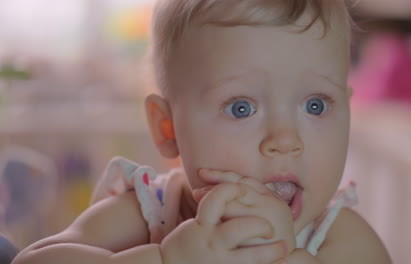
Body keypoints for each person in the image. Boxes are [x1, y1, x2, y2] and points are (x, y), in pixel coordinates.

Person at [13, 0, 391, 263]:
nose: (285, 140)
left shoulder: (344, 241)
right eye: (241, 108)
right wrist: (165, 260)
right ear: (168, 128)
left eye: (316, 105)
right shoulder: (150, 214)